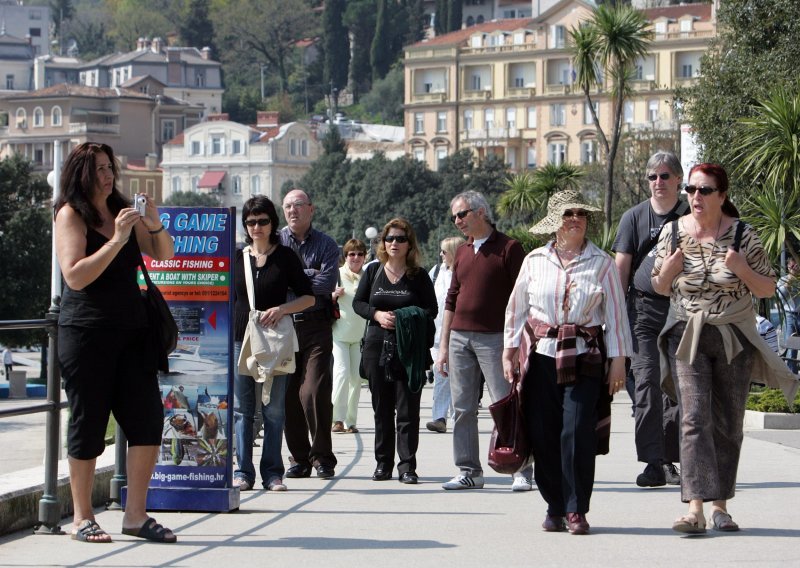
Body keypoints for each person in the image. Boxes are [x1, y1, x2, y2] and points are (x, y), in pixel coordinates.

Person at [652, 163, 798, 534]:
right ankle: (695, 508)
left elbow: (766, 288)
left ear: (722, 195)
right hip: (688, 333)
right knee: (693, 418)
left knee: (729, 423)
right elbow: (659, 286)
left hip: (733, 335)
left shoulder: (743, 236)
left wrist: (740, 268)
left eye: (704, 190)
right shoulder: (672, 233)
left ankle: (721, 506)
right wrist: (669, 269)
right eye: (691, 190)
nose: (695, 197)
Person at [54, 142, 176, 543]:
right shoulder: (71, 214)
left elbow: (164, 255)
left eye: (110, 168)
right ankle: (82, 518)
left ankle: (135, 516)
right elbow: (75, 275)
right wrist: (116, 239)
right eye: (99, 170)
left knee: (147, 422)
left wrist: (153, 224)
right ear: (81, 174)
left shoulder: (122, 208)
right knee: (88, 423)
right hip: (87, 334)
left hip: (134, 334)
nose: (108, 176)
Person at [503, 189, 632, 535]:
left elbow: (616, 316)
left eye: (581, 213)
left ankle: (577, 509)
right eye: (568, 213)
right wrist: (509, 351)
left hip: (586, 356)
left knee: (576, 432)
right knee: (543, 434)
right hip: (542, 356)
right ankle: (554, 505)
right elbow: (516, 310)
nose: (575, 218)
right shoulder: (534, 261)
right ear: (555, 223)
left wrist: (618, 360)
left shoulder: (602, 262)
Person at [435, 191, 534, 491]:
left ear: (480, 212)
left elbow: (522, 298)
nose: (457, 221)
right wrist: (443, 346)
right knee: (462, 407)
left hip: (496, 339)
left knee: (505, 403)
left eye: (462, 214)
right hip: (459, 338)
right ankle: (469, 470)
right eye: (454, 216)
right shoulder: (462, 252)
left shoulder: (509, 248)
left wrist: (515, 344)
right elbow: (451, 299)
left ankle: (520, 468)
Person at [612, 151, 688, 488]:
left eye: (665, 176)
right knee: (645, 385)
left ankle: (674, 458)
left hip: (685, 310)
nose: (658, 182)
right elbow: (621, 269)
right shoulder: (633, 217)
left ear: (678, 179)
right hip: (643, 310)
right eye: (652, 177)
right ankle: (653, 462)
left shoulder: (692, 210)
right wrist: (613, 320)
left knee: (681, 385)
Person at [232, 196, 314, 492]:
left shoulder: (286, 257)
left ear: (272, 223)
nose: (257, 227)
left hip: (275, 340)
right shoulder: (238, 257)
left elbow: (309, 296)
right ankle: (243, 471)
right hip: (241, 339)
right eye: (251, 222)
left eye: (262, 221)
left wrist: (282, 309)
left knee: (274, 409)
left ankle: (272, 472)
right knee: (243, 409)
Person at [353, 218, 437, 484]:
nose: (394, 243)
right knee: (382, 409)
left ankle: (407, 466)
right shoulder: (373, 271)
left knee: (408, 411)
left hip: (409, 350)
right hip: (377, 346)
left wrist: (403, 316)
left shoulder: (418, 275)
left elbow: (431, 310)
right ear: (382, 243)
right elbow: (358, 303)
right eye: (389, 239)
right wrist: (377, 314)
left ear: (409, 243)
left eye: (401, 239)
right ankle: (383, 464)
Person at [279, 189, 340, 479]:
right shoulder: (276, 241)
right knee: (289, 395)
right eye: (288, 206)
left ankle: (322, 456)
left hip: (316, 326)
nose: (293, 211)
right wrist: (308, 276)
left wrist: (296, 280)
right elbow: (274, 285)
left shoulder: (327, 244)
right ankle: (300, 458)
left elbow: (327, 283)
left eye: (299, 205)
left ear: (311, 209)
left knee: (314, 391)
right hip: (284, 326)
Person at [425, 236, 463, 433]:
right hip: (438, 333)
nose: (441, 255)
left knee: (459, 377)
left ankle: (459, 417)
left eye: (444, 251)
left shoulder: (464, 272)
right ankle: (439, 417)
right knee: (441, 374)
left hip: (460, 332)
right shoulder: (436, 272)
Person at [331, 239, 368, 434]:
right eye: (351, 254)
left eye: (360, 254)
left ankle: (350, 421)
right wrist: (333, 295)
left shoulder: (367, 277)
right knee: (342, 374)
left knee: (357, 378)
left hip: (359, 336)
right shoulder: (336, 275)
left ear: (365, 257)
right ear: (345, 257)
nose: (355, 258)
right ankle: (337, 419)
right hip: (339, 334)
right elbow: (319, 297)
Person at [777, 258, 800, 371]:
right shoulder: (783, 279)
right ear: (788, 267)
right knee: (792, 348)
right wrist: (791, 278)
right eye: (793, 266)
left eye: (797, 266)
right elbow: (781, 296)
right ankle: (791, 376)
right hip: (790, 316)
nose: (795, 268)